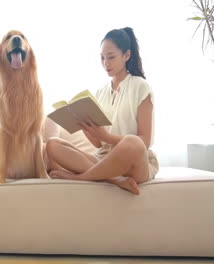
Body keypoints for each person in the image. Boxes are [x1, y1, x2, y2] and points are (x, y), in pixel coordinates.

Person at [45, 27, 159, 195]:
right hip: (103, 159)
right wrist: (86, 128)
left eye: (111, 57)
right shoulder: (101, 92)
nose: (106, 63)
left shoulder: (141, 87)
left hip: (135, 160)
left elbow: (145, 141)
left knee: (132, 142)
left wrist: (106, 137)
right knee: (53, 144)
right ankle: (115, 180)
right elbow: (98, 145)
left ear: (126, 55)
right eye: (102, 58)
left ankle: (81, 177)